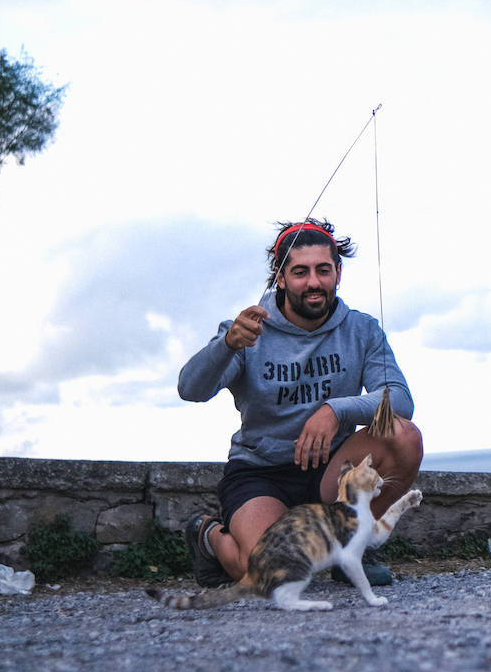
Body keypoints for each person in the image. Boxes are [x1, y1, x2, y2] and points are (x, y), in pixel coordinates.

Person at [177, 218, 423, 588]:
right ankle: (207, 536)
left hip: (333, 473)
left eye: (323, 270)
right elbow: (190, 389)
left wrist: (334, 410)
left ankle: (353, 550)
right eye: (300, 272)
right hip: (262, 472)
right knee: (269, 576)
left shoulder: (361, 329)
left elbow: (400, 401)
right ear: (280, 278)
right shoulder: (248, 330)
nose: (313, 282)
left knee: (403, 436)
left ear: (337, 273)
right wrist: (226, 344)